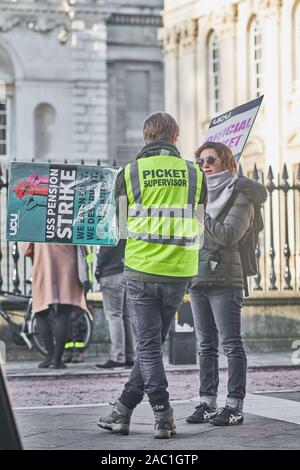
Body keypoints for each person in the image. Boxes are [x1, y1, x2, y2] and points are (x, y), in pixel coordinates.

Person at [97, 112, 206, 439]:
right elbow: (199, 225)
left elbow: (120, 226)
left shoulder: (129, 174)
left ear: (146, 138)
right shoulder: (194, 174)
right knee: (151, 343)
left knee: (147, 347)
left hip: (142, 269)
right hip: (179, 270)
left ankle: (163, 413)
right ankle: (122, 410)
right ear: (175, 137)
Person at [186, 142, 267, 426]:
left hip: (225, 280)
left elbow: (229, 235)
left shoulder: (241, 195)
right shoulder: (200, 194)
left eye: (210, 159)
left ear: (226, 162)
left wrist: (198, 214)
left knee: (231, 344)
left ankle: (234, 405)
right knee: (205, 344)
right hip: (197, 277)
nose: (204, 165)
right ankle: (207, 402)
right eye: (200, 161)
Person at [22, 243, 88, 369]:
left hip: (43, 265)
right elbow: (83, 241)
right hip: (68, 265)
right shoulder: (71, 221)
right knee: (64, 312)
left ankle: (50, 355)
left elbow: (26, 248)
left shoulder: (36, 221)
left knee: (41, 311)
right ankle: (58, 359)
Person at [94, 239, 135, 369]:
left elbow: (105, 251)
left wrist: (98, 269)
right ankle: (130, 356)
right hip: (127, 272)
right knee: (126, 317)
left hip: (111, 273)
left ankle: (117, 357)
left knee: (114, 316)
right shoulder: (128, 223)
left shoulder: (110, 225)